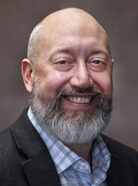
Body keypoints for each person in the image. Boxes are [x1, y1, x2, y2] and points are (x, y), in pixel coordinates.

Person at [0, 8, 138, 186]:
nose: (83, 80)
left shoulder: (132, 167)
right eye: (63, 62)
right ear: (29, 75)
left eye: (96, 62)